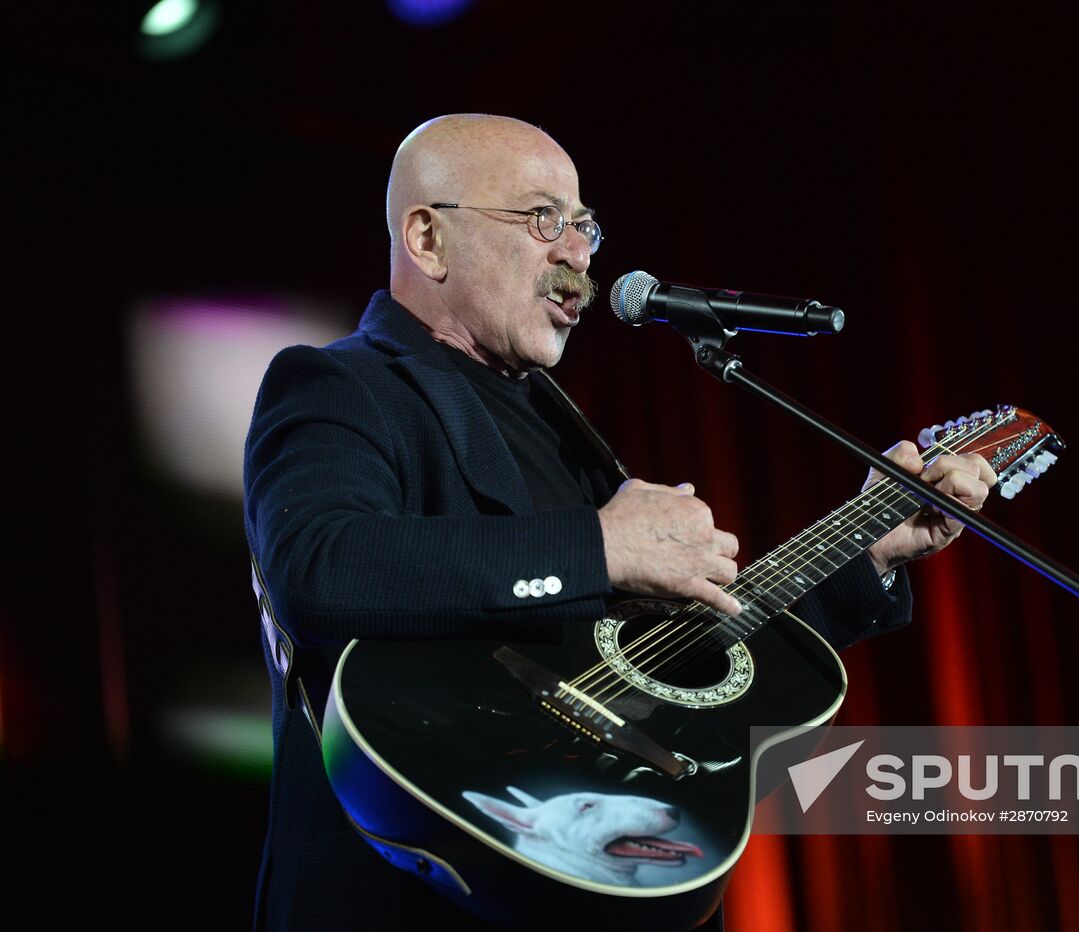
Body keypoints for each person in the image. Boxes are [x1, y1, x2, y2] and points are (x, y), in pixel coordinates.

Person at [243, 113, 996, 931]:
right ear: (427, 239)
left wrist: (866, 547)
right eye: (543, 220)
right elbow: (319, 566)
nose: (578, 256)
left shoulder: (568, 436)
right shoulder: (339, 385)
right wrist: (599, 547)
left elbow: (667, 670)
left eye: (585, 226)